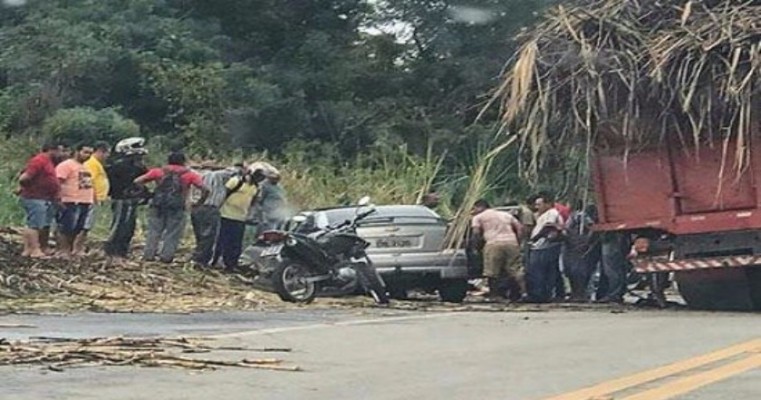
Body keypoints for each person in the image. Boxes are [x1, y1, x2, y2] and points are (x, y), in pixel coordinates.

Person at [135, 152, 209, 263]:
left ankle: (149, 255)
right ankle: (166, 257)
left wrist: (147, 193)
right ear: (183, 161)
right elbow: (205, 189)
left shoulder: (158, 171)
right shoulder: (189, 174)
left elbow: (137, 181)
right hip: (177, 207)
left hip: (157, 205)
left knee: (154, 231)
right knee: (173, 233)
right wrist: (199, 202)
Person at [104, 137, 149, 263]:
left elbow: (142, 182)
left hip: (131, 199)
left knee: (129, 226)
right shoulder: (118, 166)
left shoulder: (138, 165)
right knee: (120, 225)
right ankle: (112, 251)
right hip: (120, 199)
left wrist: (145, 194)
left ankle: (122, 251)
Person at [471, 199, 524, 301]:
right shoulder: (505, 215)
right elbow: (520, 228)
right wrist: (518, 242)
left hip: (493, 243)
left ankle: (495, 296)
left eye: (474, 208)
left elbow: (476, 233)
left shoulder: (478, 217)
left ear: (480, 207)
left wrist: (475, 247)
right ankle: (522, 293)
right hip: (511, 243)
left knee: (492, 271)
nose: (473, 211)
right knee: (515, 270)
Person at [213, 168, 265, 270]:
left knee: (235, 243)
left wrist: (250, 213)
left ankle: (231, 264)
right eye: (258, 178)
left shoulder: (256, 188)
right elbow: (224, 194)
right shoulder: (236, 181)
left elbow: (253, 202)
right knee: (221, 240)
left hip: (240, 218)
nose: (259, 180)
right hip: (226, 214)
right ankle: (215, 261)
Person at [17, 143, 62, 258]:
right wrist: (26, 188)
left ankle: (31, 249)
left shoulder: (49, 162)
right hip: (35, 197)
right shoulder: (39, 160)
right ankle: (34, 249)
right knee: (34, 224)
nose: (61, 154)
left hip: (45, 197)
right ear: (52, 150)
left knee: (42, 224)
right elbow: (25, 177)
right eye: (59, 151)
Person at [190, 162, 240, 267]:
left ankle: (197, 256)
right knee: (209, 236)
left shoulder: (196, 173)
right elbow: (235, 170)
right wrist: (219, 166)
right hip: (211, 207)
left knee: (199, 234)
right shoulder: (219, 175)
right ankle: (201, 260)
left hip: (196, 208)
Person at [54, 144, 95, 259]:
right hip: (70, 200)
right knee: (66, 227)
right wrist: (58, 198)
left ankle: (71, 249)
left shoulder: (85, 167)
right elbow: (58, 181)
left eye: (90, 153)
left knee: (78, 228)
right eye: (85, 152)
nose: (88, 156)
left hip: (84, 201)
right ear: (77, 151)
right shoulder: (66, 165)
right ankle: (63, 250)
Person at [525, 193, 565, 303]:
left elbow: (549, 226)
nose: (537, 207)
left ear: (548, 204)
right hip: (540, 246)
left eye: (539, 204)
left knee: (539, 271)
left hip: (544, 247)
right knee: (542, 271)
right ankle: (542, 294)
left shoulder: (551, 213)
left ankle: (539, 295)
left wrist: (535, 238)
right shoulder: (543, 214)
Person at [74, 141, 110, 255]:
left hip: (94, 198)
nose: (107, 156)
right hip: (90, 199)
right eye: (107, 153)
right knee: (85, 225)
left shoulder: (95, 163)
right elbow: (89, 182)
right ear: (101, 151)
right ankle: (77, 248)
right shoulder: (91, 164)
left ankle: (78, 247)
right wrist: (93, 197)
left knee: (87, 224)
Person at [562, 203, 601, 302]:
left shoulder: (579, 216)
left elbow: (592, 228)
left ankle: (580, 294)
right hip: (573, 245)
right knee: (573, 271)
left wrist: (587, 241)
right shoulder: (575, 216)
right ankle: (577, 294)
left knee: (578, 271)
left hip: (577, 246)